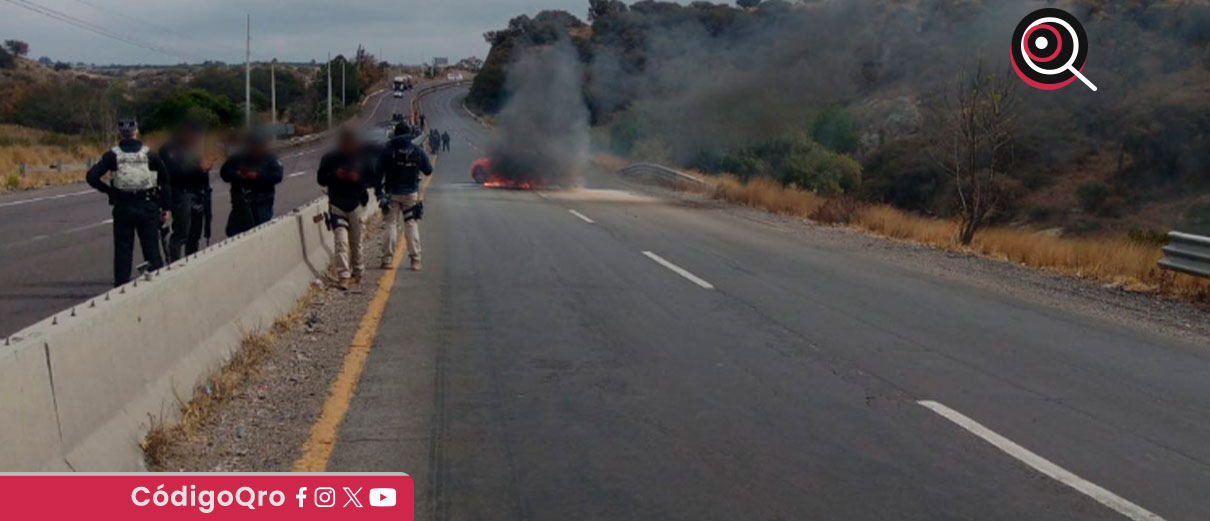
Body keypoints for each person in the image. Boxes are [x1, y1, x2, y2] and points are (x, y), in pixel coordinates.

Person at [85, 118, 171, 287]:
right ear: (136, 132)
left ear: (119, 134)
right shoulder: (149, 154)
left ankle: (121, 284)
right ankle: (157, 284)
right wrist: (165, 207)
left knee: (123, 250)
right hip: (147, 205)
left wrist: (110, 191)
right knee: (151, 248)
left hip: (123, 206)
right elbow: (165, 180)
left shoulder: (113, 155)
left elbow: (91, 176)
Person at [317, 128, 375, 289]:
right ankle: (343, 275)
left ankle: (358, 271)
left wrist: (357, 178)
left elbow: (373, 179)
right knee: (341, 241)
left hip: (357, 204)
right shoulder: (329, 159)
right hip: (337, 204)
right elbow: (321, 179)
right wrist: (335, 175)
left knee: (356, 242)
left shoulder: (363, 158)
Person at [378, 122, 433, 271]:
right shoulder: (416, 150)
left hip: (391, 194)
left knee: (390, 224)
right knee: (411, 224)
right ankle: (415, 260)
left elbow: (378, 172)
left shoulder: (388, 149)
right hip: (410, 194)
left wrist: (379, 192)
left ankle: (387, 260)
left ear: (395, 134)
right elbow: (428, 170)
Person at [159, 121, 214, 261]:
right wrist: (199, 167)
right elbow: (174, 172)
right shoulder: (169, 149)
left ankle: (192, 261)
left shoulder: (195, 149)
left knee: (195, 235)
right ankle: (174, 262)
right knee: (182, 232)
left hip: (198, 193)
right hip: (181, 194)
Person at [220, 130, 283, 237]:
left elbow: (277, 176)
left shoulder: (270, 159)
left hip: (261, 203)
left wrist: (257, 176)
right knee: (234, 233)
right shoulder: (238, 158)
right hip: (240, 203)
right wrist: (237, 174)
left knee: (261, 232)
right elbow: (224, 173)